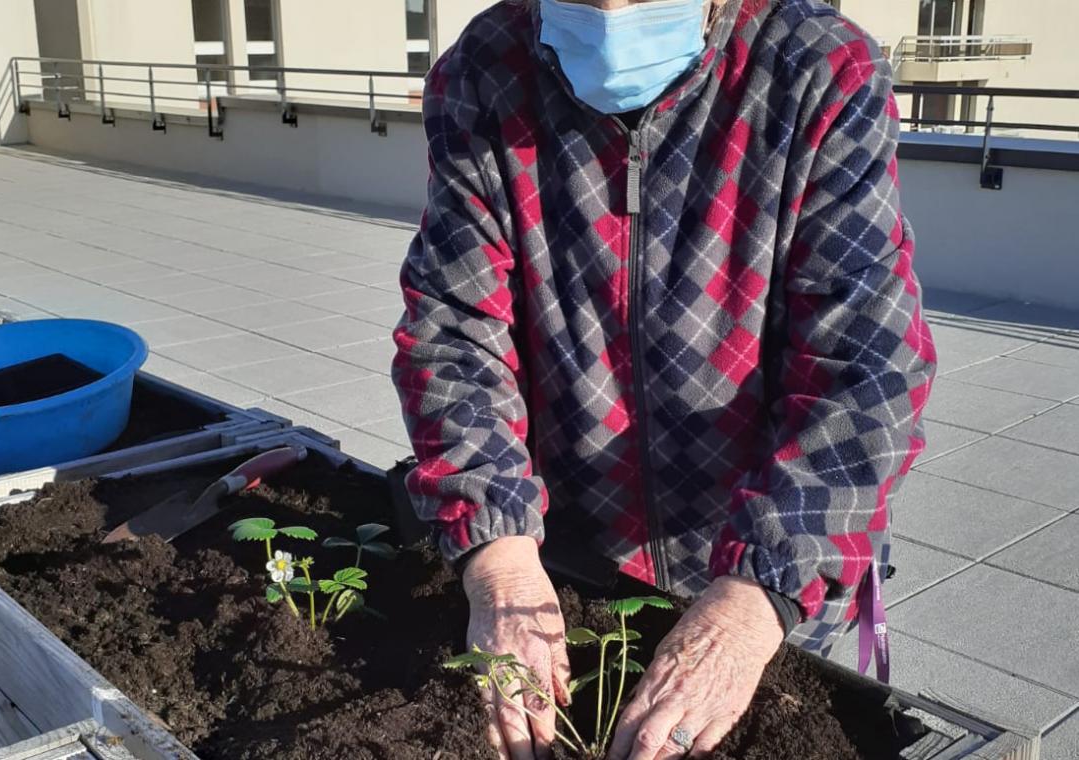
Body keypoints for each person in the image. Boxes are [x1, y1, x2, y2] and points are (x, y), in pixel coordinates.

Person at [392, 0, 937, 757]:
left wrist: (759, 592)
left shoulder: (815, 68)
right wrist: (502, 559)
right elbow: (455, 332)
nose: (609, 17)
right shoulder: (488, 69)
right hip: (571, 559)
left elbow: (866, 365)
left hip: (768, 566)